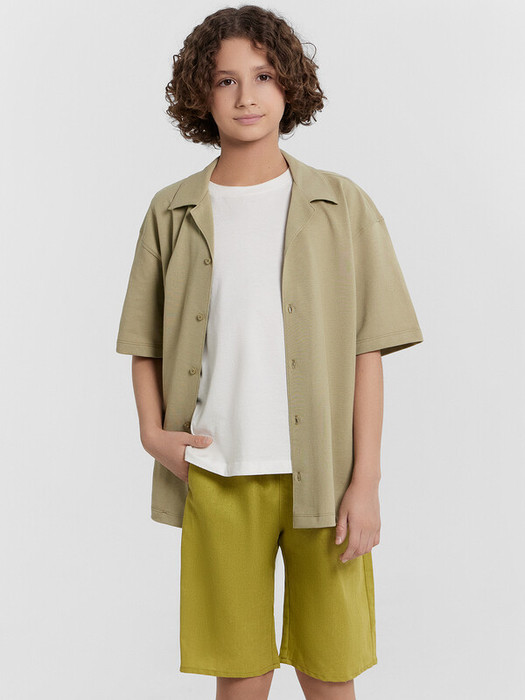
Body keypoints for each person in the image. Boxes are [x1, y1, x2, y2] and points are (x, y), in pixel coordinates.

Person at [116, 5, 424, 699]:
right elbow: (143, 341)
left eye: (262, 76)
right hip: (217, 471)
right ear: (201, 93)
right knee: (240, 671)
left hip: (326, 477)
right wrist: (152, 435)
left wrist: (366, 482)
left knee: (330, 666)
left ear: (290, 84)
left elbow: (367, 352)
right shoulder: (171, 211)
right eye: (225, 80)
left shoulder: (342, 205)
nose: (246, 96)